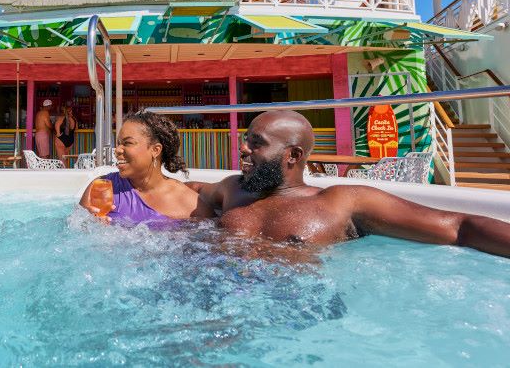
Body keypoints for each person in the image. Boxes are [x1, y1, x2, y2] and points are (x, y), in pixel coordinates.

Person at [191, 110, 510, 258]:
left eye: (256, 142)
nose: (243, 149)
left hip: (289, 318)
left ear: (293, 155)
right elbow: (188, 189)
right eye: (245, 140)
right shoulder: (233, 188)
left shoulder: (342, 202)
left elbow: (459, 227)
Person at [79, 111, 213, 224]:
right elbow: (72, 235)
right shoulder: (102, 188)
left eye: (128, 143)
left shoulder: (191, 205)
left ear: (155, 150)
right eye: (119, 143)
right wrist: (88, 225)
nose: (118, 150)